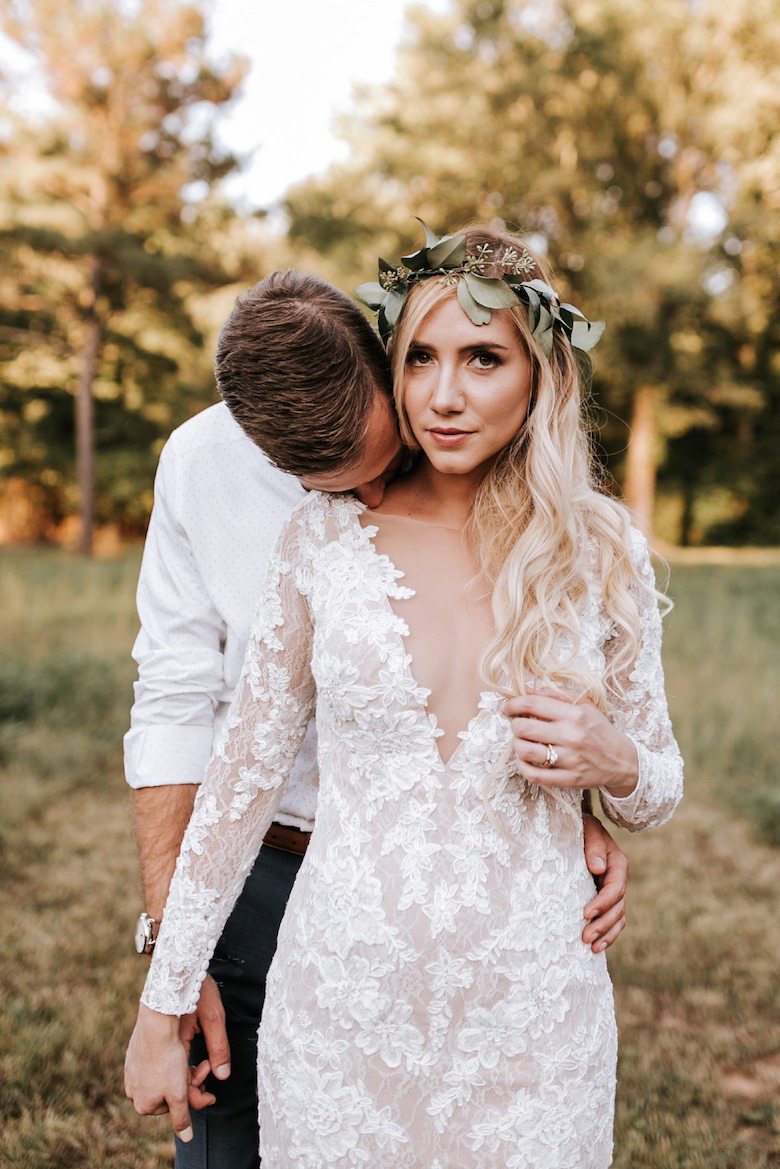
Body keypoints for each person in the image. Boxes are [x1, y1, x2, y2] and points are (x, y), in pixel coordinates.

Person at [125, 260, 636, 1167]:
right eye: (338, 481)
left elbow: (558, 698)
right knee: (228, 1141)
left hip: (507, 959)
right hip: (270, 884)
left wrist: (586, 799)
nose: (376, 497)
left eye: (385, 459)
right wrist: (170, 962)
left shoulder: (554, 518)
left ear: (380, 362)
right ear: (273, 460)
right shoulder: (210, 472)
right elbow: (179, 703)